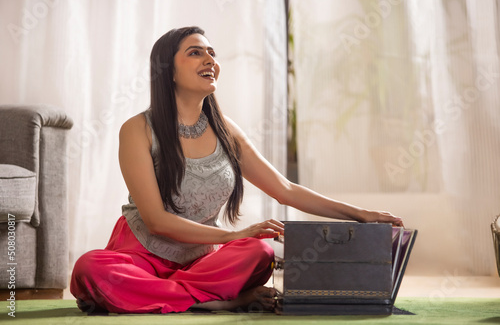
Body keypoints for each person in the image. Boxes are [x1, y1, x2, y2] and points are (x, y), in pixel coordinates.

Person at [70, 26, 404, 314]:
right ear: (168, 70)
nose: (210, 60)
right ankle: (216, 301)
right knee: (91, 269)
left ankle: (165, 294)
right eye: (195, 52)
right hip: (142, 257)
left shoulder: (225, 130)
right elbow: (156, 220)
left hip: (202, 263)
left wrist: (360, 215)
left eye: (212, 53)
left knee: (260, 250)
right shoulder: (138, 129)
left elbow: (284, 189)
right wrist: (232, 235)